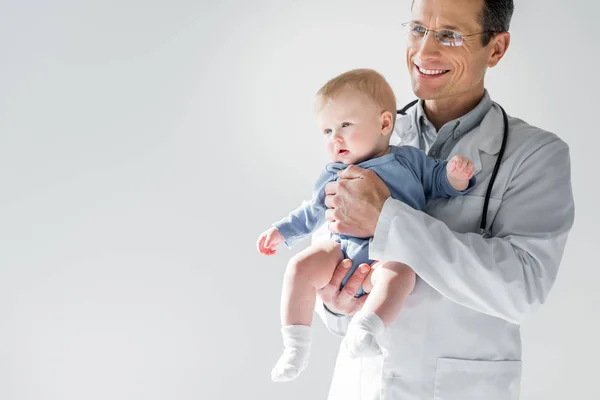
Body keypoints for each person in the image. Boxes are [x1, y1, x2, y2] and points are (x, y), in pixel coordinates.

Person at [313, 0, 575, 399]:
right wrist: (333, 302)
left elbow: (522, 290)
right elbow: (333, 261)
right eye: (418, 29)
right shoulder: (362, 135)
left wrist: (387, 220)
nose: (424, 52)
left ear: (497, 48)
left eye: (450, 35)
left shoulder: (535, 155)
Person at [256, 69, 476, 382]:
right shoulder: (334, 172)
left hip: (388, 255)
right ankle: (296, 346)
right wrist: (281, 231)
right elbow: (313, 211)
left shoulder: (408, 161)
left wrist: (455, 176)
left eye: (345, 125)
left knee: (400, 275)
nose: (336, 138)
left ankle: (367, 329)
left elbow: (439, 181)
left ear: (385, 123)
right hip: (340, 253)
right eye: (328, 130)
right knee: (300, 267)